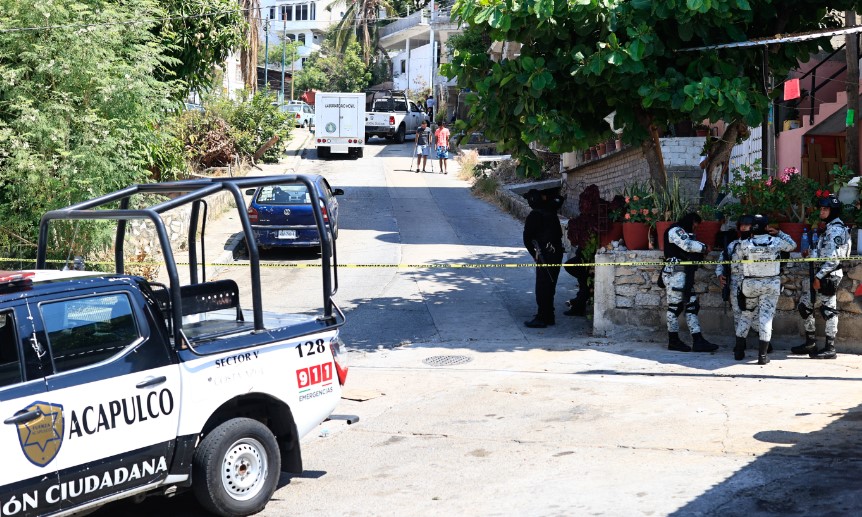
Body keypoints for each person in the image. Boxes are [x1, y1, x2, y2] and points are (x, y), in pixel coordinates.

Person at [791, 194, 852, 359]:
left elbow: (833, 258)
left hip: (828, 275)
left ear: (833, 211)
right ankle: (810, 343)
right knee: (805, 306)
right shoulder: (828, 228)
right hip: (821, 272)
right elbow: (824, 252)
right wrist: (810, 253)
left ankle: (830, 348)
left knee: (829, 310)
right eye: (821, 208)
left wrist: (818, 277)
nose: (822, 211)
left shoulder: (836, 229)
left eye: (825, 209)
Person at [734, 216, 796, 364]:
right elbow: (792, 245)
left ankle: (738, 351)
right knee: (766, 318)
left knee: (746, 315)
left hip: (750, 284)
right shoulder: (775, 241)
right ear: (767, 227)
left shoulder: (744, 244)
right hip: (770, 284)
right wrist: (779, 233)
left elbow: (738, 260)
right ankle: (762, 356)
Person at [661, 212, 718, 352]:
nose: (695, 229)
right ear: (691, 221)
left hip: (683, 274)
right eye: (695, 225)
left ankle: (697, 340)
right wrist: (704, 247)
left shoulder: (682, 231)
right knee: (675, 307)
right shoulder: (676, 230)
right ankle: (674, 341)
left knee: (691, 305)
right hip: (676, 274)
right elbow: (687, 245)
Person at [716, 214, 761, 356]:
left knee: (754, 316)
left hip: (754, 284)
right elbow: (722, 262)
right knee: (737, 315)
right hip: (735, 284)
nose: (743, 228)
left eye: (746, 225)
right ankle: (740, 344)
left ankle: (765, 341)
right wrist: (720, 276)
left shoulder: (759, 243)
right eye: (741, 225)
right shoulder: (733, 245)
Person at [523, 188, 565, 328]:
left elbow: (527, 239)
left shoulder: (535, 215)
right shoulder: (551, 208)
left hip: (545, 255)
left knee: (542, 286)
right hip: (556, 252)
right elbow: (559, 199)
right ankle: (549, 315)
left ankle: (542, 317)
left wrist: (533, 255)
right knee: (550, 285)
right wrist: (546, 197)